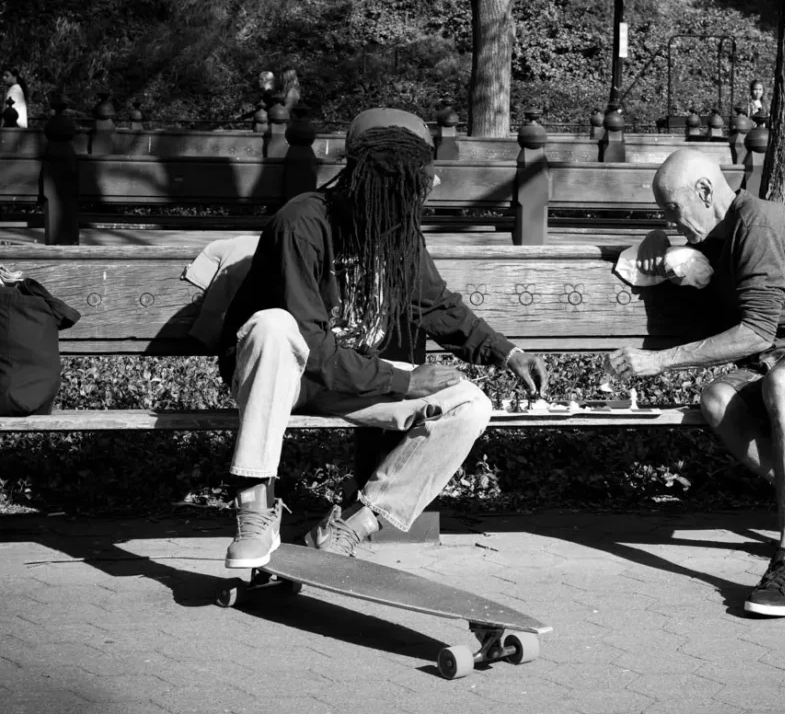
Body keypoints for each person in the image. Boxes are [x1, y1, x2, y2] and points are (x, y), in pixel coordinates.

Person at [218, 107, 548, 569]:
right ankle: (254, 505)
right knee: (272, 325)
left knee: (469, 404)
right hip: (281, 380)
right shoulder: (302, 223)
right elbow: (308, 343)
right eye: (422, 175)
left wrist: (507, 353)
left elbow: (433, 304)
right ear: (384, 180)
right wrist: (402, 382)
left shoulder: (396, 228)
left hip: (348, 380)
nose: (433, 183)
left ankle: (350, 526)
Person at [608, 148, 785, 617]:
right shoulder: (716, 235)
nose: (671, 221)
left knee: (783, 381)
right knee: (716, 399)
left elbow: (757, 332)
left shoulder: (759, 223)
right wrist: (680, 264)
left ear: (705, 191)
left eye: (674, 208)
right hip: (775, 363)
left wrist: (659, 361)